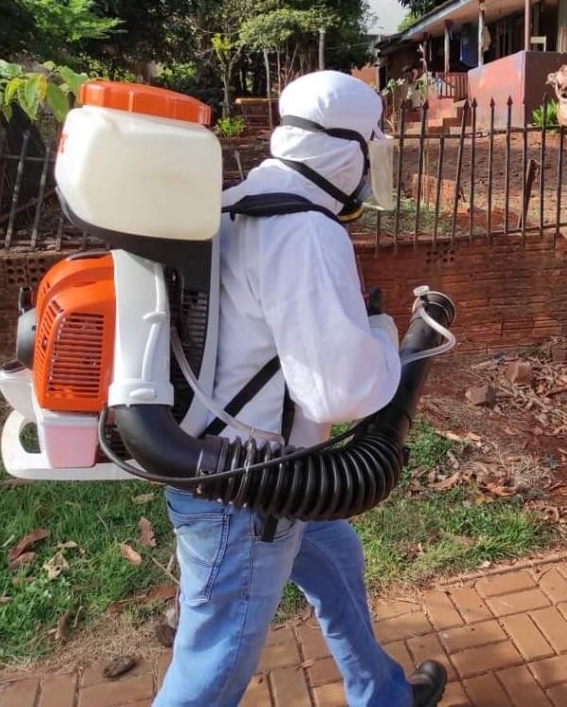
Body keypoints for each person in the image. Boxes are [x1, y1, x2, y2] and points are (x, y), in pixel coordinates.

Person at [153, 70, 448, 707]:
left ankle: (383, 693)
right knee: (210, 671)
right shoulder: (307, 231)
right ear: (350, 152)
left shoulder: (237, 201)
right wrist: (379, 328)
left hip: (264, 469)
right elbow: (336, 393)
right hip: (247, 494)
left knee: (338, 562)